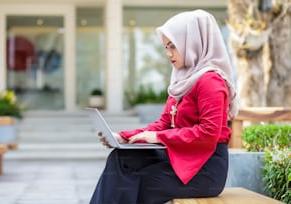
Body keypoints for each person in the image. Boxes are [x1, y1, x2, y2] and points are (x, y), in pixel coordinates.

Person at [90, 9, 238, 204]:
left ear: (192, 42)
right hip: (180, 157)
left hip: (205, 169)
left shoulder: (211, 81)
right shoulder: (182, 79)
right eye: (166, 47)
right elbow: (164, 123)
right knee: (121, 157)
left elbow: (208, 133)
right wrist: (123, 137)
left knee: (134, 182)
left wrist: (158, 137)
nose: (168, 54)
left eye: (173, 46)